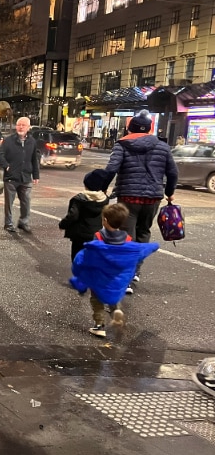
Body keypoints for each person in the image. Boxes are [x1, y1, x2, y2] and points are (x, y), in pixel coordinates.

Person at [99, 109, 178, 294]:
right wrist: (169, 192)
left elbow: (111, 169)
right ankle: (136, 271)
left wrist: (104, 187)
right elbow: (173, 172)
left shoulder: (122, 145)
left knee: (127, 235)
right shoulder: (162, 146)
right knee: (144, 232)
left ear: (129, 128)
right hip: (153, 198)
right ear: (150, 129)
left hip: (128, 197)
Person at [70, 204, 159, 338]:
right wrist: (154, 246)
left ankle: (99, 326)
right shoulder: (127, 239)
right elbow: (139, 250)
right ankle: (116, 311)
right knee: (113, 296)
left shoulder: (98, 237)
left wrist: (80, 270)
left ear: (104, 220)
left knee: (96, 301)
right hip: (116, 278)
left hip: (99, 278)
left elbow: (88, 256)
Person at [0, 116, 40, 233]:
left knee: (26, 201)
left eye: (23, 125)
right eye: (19, 124)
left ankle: (23, 222)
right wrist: (6, 166)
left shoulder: (32, 142)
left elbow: (34, 159)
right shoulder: (8, 140)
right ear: (16, 126)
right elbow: (0, 155)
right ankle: (8, 223)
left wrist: (36, 175)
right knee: (9, 203)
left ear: (28, 128)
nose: (21, 127)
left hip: (26, 177)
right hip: (11, 177)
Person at [59, 169, 110, 260]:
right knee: (91, 257)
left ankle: (79, 273)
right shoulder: (104, 199)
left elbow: (73, 216)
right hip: (95, 234)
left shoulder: (79, 199)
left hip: (80, 235)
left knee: (77, 257)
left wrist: (63, 224)